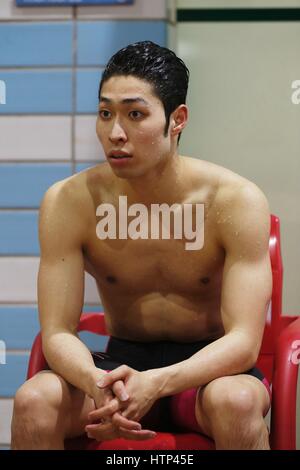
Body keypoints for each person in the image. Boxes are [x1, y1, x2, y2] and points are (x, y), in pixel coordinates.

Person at [11, 41, 272, 450]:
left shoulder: (235, 200)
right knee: (32, 402)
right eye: (105, 114)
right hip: (119, 368)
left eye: (135, 114)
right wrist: (96, 383)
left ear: (177, 119)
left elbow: (244, 341)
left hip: (207, 376)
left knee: (237, 401)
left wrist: (159, 381)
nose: (115, 133)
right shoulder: (69, 202)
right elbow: (58, 331)